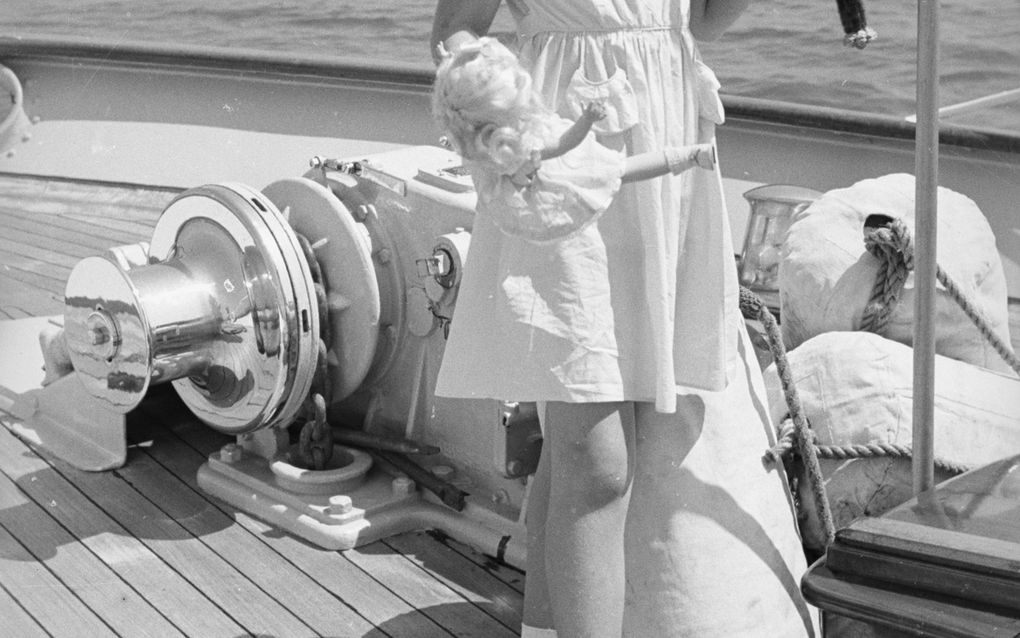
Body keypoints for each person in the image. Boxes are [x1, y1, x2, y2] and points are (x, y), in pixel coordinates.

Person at [430, 1, 818, 637]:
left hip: (664, 149)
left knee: (572, 455)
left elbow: (703, 18)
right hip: (561, 171)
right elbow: (453, 31)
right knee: (598, 459)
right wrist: (502, 119)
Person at [432, 37, 715, 244]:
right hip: (553, 184)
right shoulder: (520, 149)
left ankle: (689, 156)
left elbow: (563, 143)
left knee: (622, 170)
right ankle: (689, 156)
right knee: (621, 170)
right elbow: (565, 143)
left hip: (537, 185)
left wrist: (450, 64)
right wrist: (586, 121)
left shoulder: (479, 149)